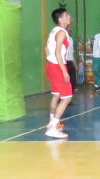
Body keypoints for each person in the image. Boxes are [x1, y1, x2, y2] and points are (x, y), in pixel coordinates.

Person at [44, 8, 72, 139]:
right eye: (66, 15)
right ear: (60, 19)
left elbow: (46, 49)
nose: (69, 17)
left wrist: (50, 61)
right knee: (66, 98)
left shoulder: (54, 30)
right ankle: (52, 128)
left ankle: (51, 120)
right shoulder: (61, 33)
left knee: (56, 95)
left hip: (51, 66)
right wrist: (64, 71)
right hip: (57, 67)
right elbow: (57, 52)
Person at [65, 25, 78, 91]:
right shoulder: (62, 38)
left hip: (70, 62)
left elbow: (72, 53)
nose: (70, 29)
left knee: (72, 80)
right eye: (68, 28)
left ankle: (70, 94)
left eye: (70, 28)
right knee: (65, 81)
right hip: (64, 62)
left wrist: (75, 64)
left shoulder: (70, 39)